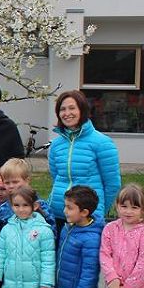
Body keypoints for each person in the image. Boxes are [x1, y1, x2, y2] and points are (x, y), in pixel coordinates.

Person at [48, 90, 121, 231]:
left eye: (72, 108)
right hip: (58, 213)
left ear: (82, 109)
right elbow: (55, 177)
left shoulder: (102, 143)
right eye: (62, 109)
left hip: (87, 217)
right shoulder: (56, 145)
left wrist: (98, 211)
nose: (67, 113)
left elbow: (112, 184)